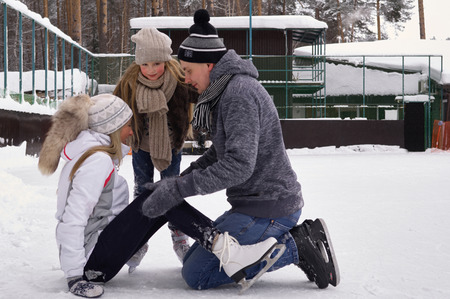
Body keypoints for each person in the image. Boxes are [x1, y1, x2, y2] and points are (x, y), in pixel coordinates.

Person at [142, 9, 340, 291]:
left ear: (208, 64)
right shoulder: (224, 92)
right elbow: (220, 153)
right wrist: (178, 181)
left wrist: (179, 189)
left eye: (187, 70)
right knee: (192, 263)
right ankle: (279, 241)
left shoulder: (238, 94)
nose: (185, 78)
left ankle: (298, 244)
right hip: (252, 206)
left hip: (269, 208)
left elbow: (237, 165)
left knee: (197, 275)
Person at [38, 94, 281, 298]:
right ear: (111, 129)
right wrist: (74, 276)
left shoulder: (95, 157)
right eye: (126, 126)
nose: (131, 131)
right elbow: (72, 219)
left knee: (161, 194)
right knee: (160, 196)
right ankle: (229, 251)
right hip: (92, 264)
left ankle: (225, 249)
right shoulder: (96, 162)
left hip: (99, 252)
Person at [113, 27, 199, 262]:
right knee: (142, 191)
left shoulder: (179, 80)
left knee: (172, 191)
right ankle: (139, 238)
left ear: (165, 60)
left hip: (171, 147)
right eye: (145, 65)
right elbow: (115, 108)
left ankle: (179, 235)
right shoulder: (130, 82)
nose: (151, 70)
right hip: (141, 146)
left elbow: (203, 93)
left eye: (156, 64)